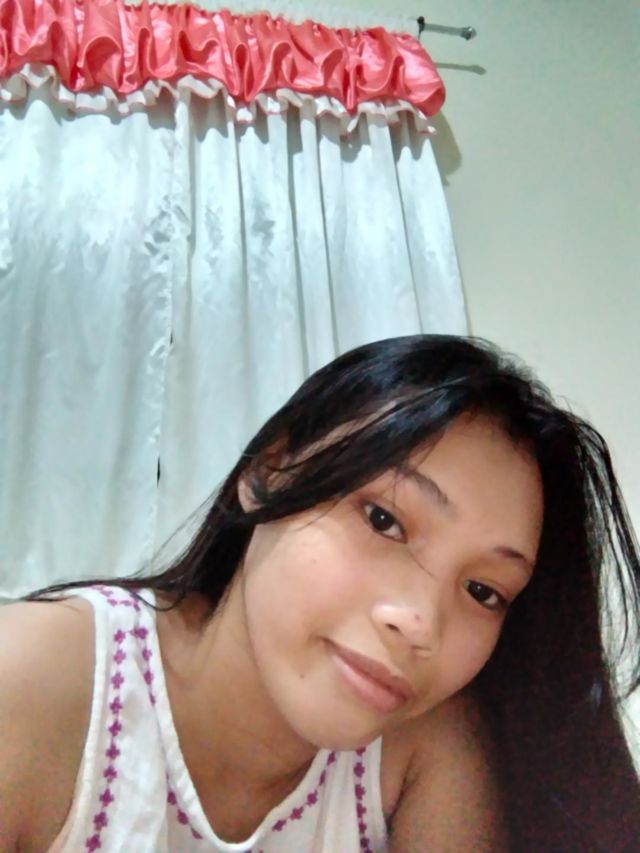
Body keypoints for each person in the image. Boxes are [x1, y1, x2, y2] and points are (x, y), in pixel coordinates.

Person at [1, 334, 639, 852]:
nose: (420, 623)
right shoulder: (32, 682)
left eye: (482, 590)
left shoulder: (422, 745)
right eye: (383, 520)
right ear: (270, 472)